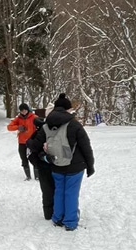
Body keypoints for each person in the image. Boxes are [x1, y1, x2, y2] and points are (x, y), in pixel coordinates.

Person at [28, 93, 94, 231]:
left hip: (56, 164)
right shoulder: (74, 124)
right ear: (67, 109)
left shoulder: (47, 125)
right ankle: (70, 222)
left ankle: (57, 218)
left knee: (59, 192)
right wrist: (90, 165)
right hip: (75, 166)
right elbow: (85, 146)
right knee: (71, 193)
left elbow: (35, 145)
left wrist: (28, 142)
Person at [28, 104, 56, 220]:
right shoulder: (44, 128)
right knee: (51, 189)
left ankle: (50, 213)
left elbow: (32, 145)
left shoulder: (44, 128)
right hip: (48, 164)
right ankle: (52, 213)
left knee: (48, 189)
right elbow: (33, 145)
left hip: (47, 164)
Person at [7, 103, 38, 180]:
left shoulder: (34, 117)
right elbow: (9, 127)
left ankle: (37, 176)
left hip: (32, 142)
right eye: (22, 111)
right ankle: (28, 176)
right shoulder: (18, 118)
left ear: (28, 110)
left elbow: (40, 125)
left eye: (25, 110)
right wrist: (18, 127)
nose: (24, 112)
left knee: (35, 159)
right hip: (22, 142)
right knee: (24, 159)